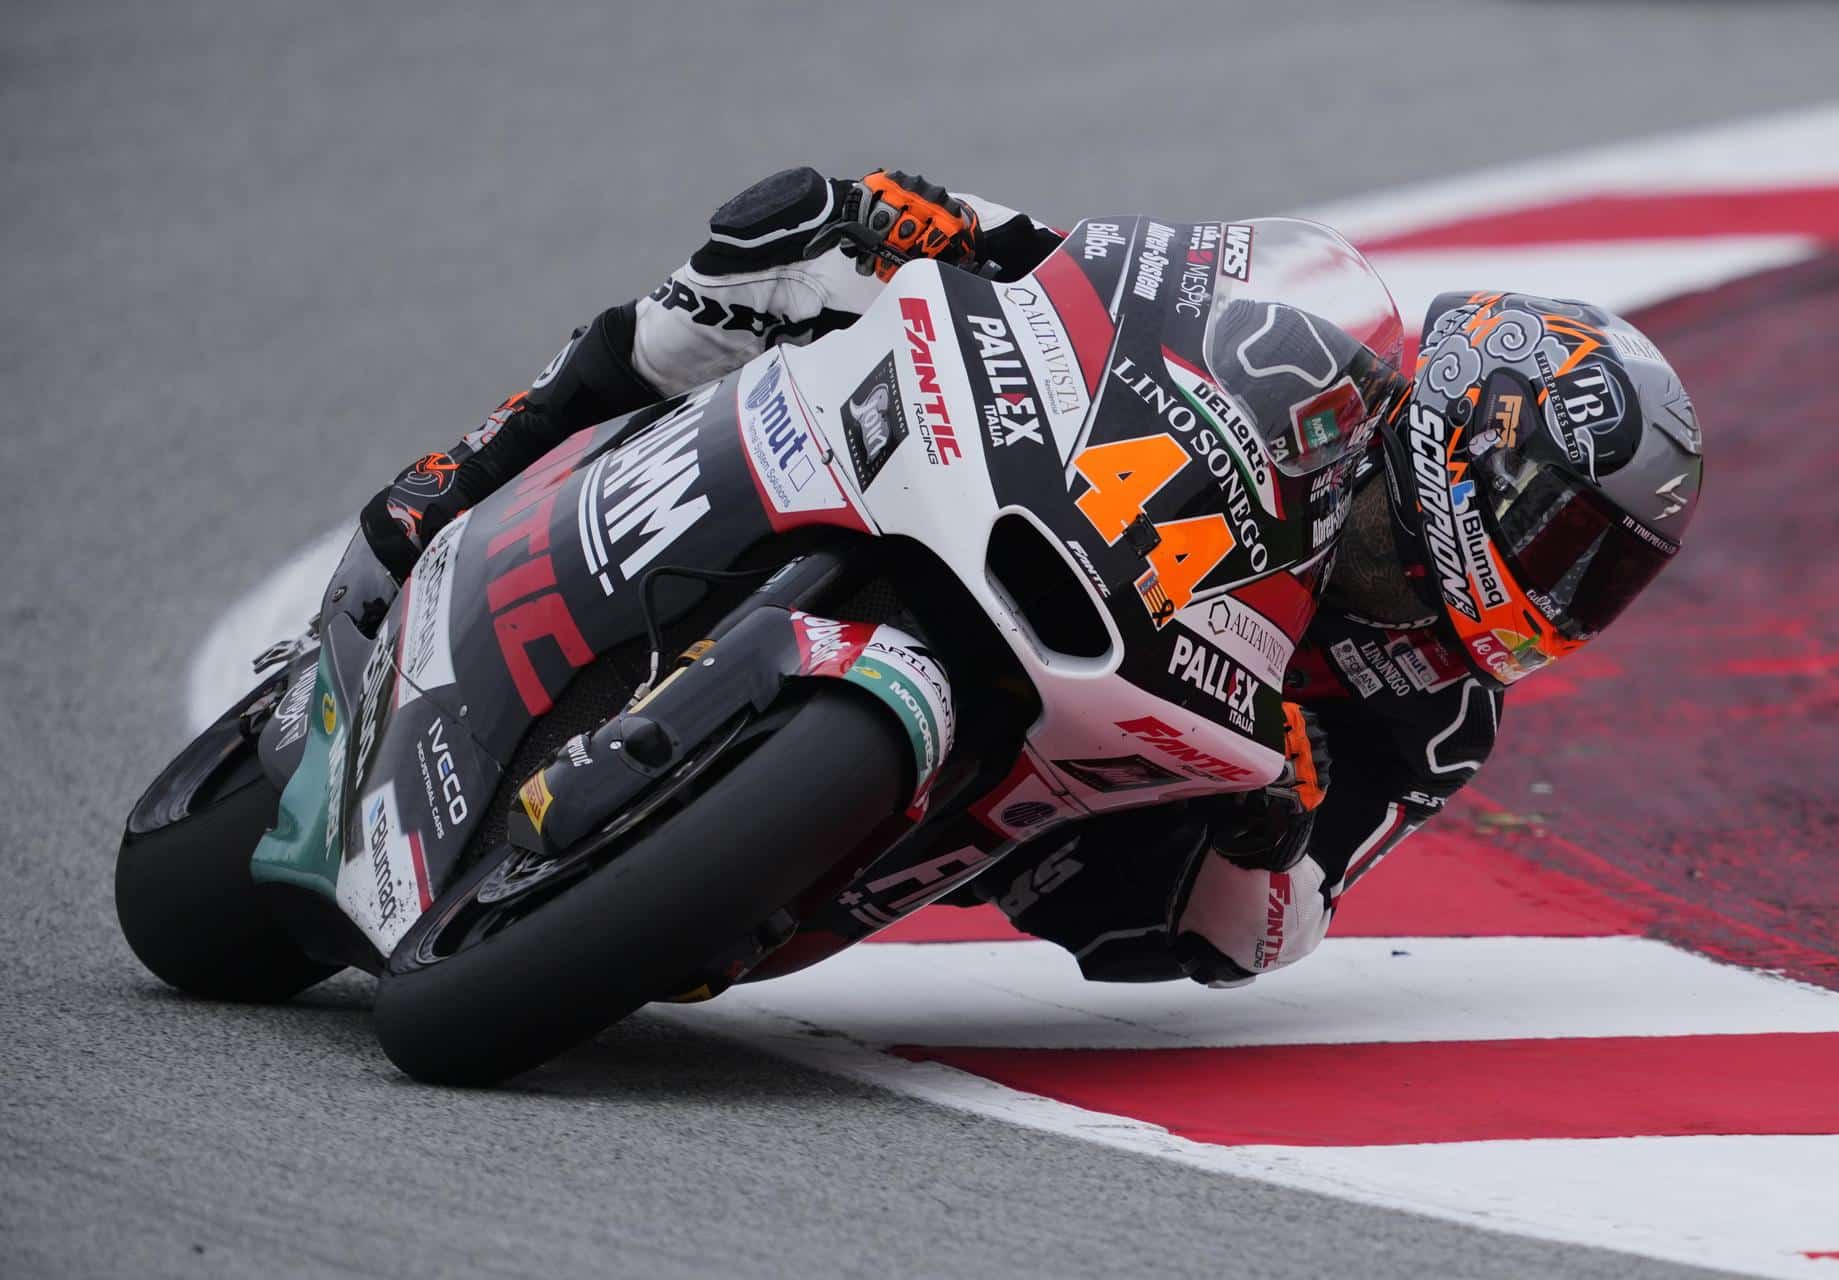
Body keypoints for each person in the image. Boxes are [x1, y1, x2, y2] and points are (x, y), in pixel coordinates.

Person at [361, 167, 1704, 988]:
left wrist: (1273, 825)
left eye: (1605, 577)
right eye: (1569, 541)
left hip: (1083, 786)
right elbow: (1101, 281)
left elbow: (1278, 936)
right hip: (1040, 519)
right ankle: (478, 465)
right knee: (778, 254)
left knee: (1159, 929)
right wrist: (938, 223)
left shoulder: (1442, 711)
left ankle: (737, 844)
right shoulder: (1315, 360)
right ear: (1477, 435)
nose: (1567, 593)